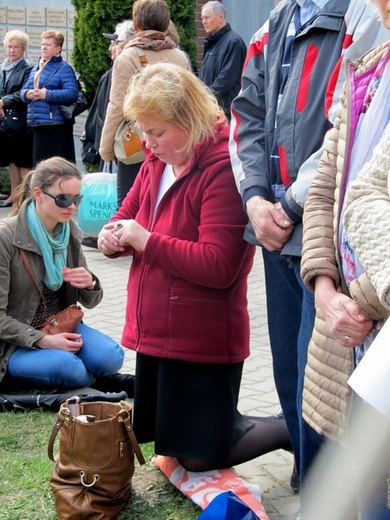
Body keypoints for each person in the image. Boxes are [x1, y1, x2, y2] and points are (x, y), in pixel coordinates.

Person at [98, 63, 292, 472]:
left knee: (201, 455)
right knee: (173, 446)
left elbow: (220, 265)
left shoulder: (222, 167)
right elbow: (126, 215)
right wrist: (111, 238)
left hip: (202, 337)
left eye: (157, 132)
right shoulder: (157, 162)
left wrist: (144, 241)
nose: (147, 144)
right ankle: (275, 427)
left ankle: (292, 429)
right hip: (159, 330)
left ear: (188, 118)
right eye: (143, 132)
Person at [229, 0, 389, 493]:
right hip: (277, 223)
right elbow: (246, 113)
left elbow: (344, 148)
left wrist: (289, 206)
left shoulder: (361, 14)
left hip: (319, 232)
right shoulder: (278, 19)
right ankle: (306, 467)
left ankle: (327, 481)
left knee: (322, 368)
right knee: (289, 365)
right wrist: (255, 198)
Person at [301, 1, 390, 511]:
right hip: (350, 333)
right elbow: (323, 193)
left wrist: (357, 299)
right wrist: (325, 288)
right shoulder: (369, 71)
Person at [0, 156, 130, 392]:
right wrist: (42, 340)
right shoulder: (6, 238)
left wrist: (89, 284)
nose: (71, 207)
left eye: (76, 199)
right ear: (38, 194)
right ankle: (96, 379)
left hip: (59, 325)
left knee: (111, 358)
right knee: (71, 369)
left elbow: (89, 302)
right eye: (63, 199)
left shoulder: (68, 231)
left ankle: (87, 375)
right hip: (13, 342)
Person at [99, 0, 191, 209]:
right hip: (175, 142)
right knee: (166, 206)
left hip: (138, 143)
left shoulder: (128, 57)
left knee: (131, 207)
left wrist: (105, 148)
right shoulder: (180, 56)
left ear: (137, 23)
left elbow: (117, 106)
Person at [81, 21, 136, 250]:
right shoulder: (115, 68)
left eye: (115, 42)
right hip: (114, 139)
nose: (111, 47)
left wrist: (106, 144)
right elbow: (101, 106)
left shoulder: (124, 66)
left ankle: (117, 235)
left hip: (123, 142)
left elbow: (114, 108)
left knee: (123, 194)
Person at [20, 30, 78, 166]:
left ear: (58, 49)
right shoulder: (36, 69)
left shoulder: (64, 69)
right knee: (40, 170)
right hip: (38, 124)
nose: (43, 47)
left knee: (56, 169)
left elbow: (71, 93)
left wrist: (46, 94)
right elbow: (22, 90)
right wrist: (28, 94)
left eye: (48, 45)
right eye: (42, 44)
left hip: (56, 127)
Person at [0, 30, 33, 208]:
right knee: (11, 159)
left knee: (22, 161)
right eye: (10, 47)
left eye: (16, 47)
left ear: (23, 50)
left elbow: (22, 94)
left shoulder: (27, 69)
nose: (12, 51)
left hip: (20, 120)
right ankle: (14, 193)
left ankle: (25, 197)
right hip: (5, 121)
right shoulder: (3, 67)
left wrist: (3, 101)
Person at [199, 1, 246, 121]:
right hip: (212, 109)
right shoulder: (211, 43)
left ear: (220, 17)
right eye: (202, 18)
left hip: (225, 112)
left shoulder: (233, 42)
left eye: (207, 17)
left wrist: (204, 97)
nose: (203, 22)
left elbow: (226, 79)